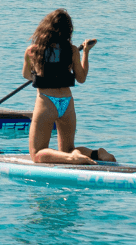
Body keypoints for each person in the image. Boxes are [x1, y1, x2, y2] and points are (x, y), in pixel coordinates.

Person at [22, 9, 115, 164]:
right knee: (68, 148)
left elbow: (26, 75)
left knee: (37, 154)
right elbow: (81, 78)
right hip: (67, 102)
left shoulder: (33, 51)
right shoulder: (72, 50)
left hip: (46, 102)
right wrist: (85, 52)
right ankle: (98, 153)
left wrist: (39, 74)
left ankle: (73, 158)